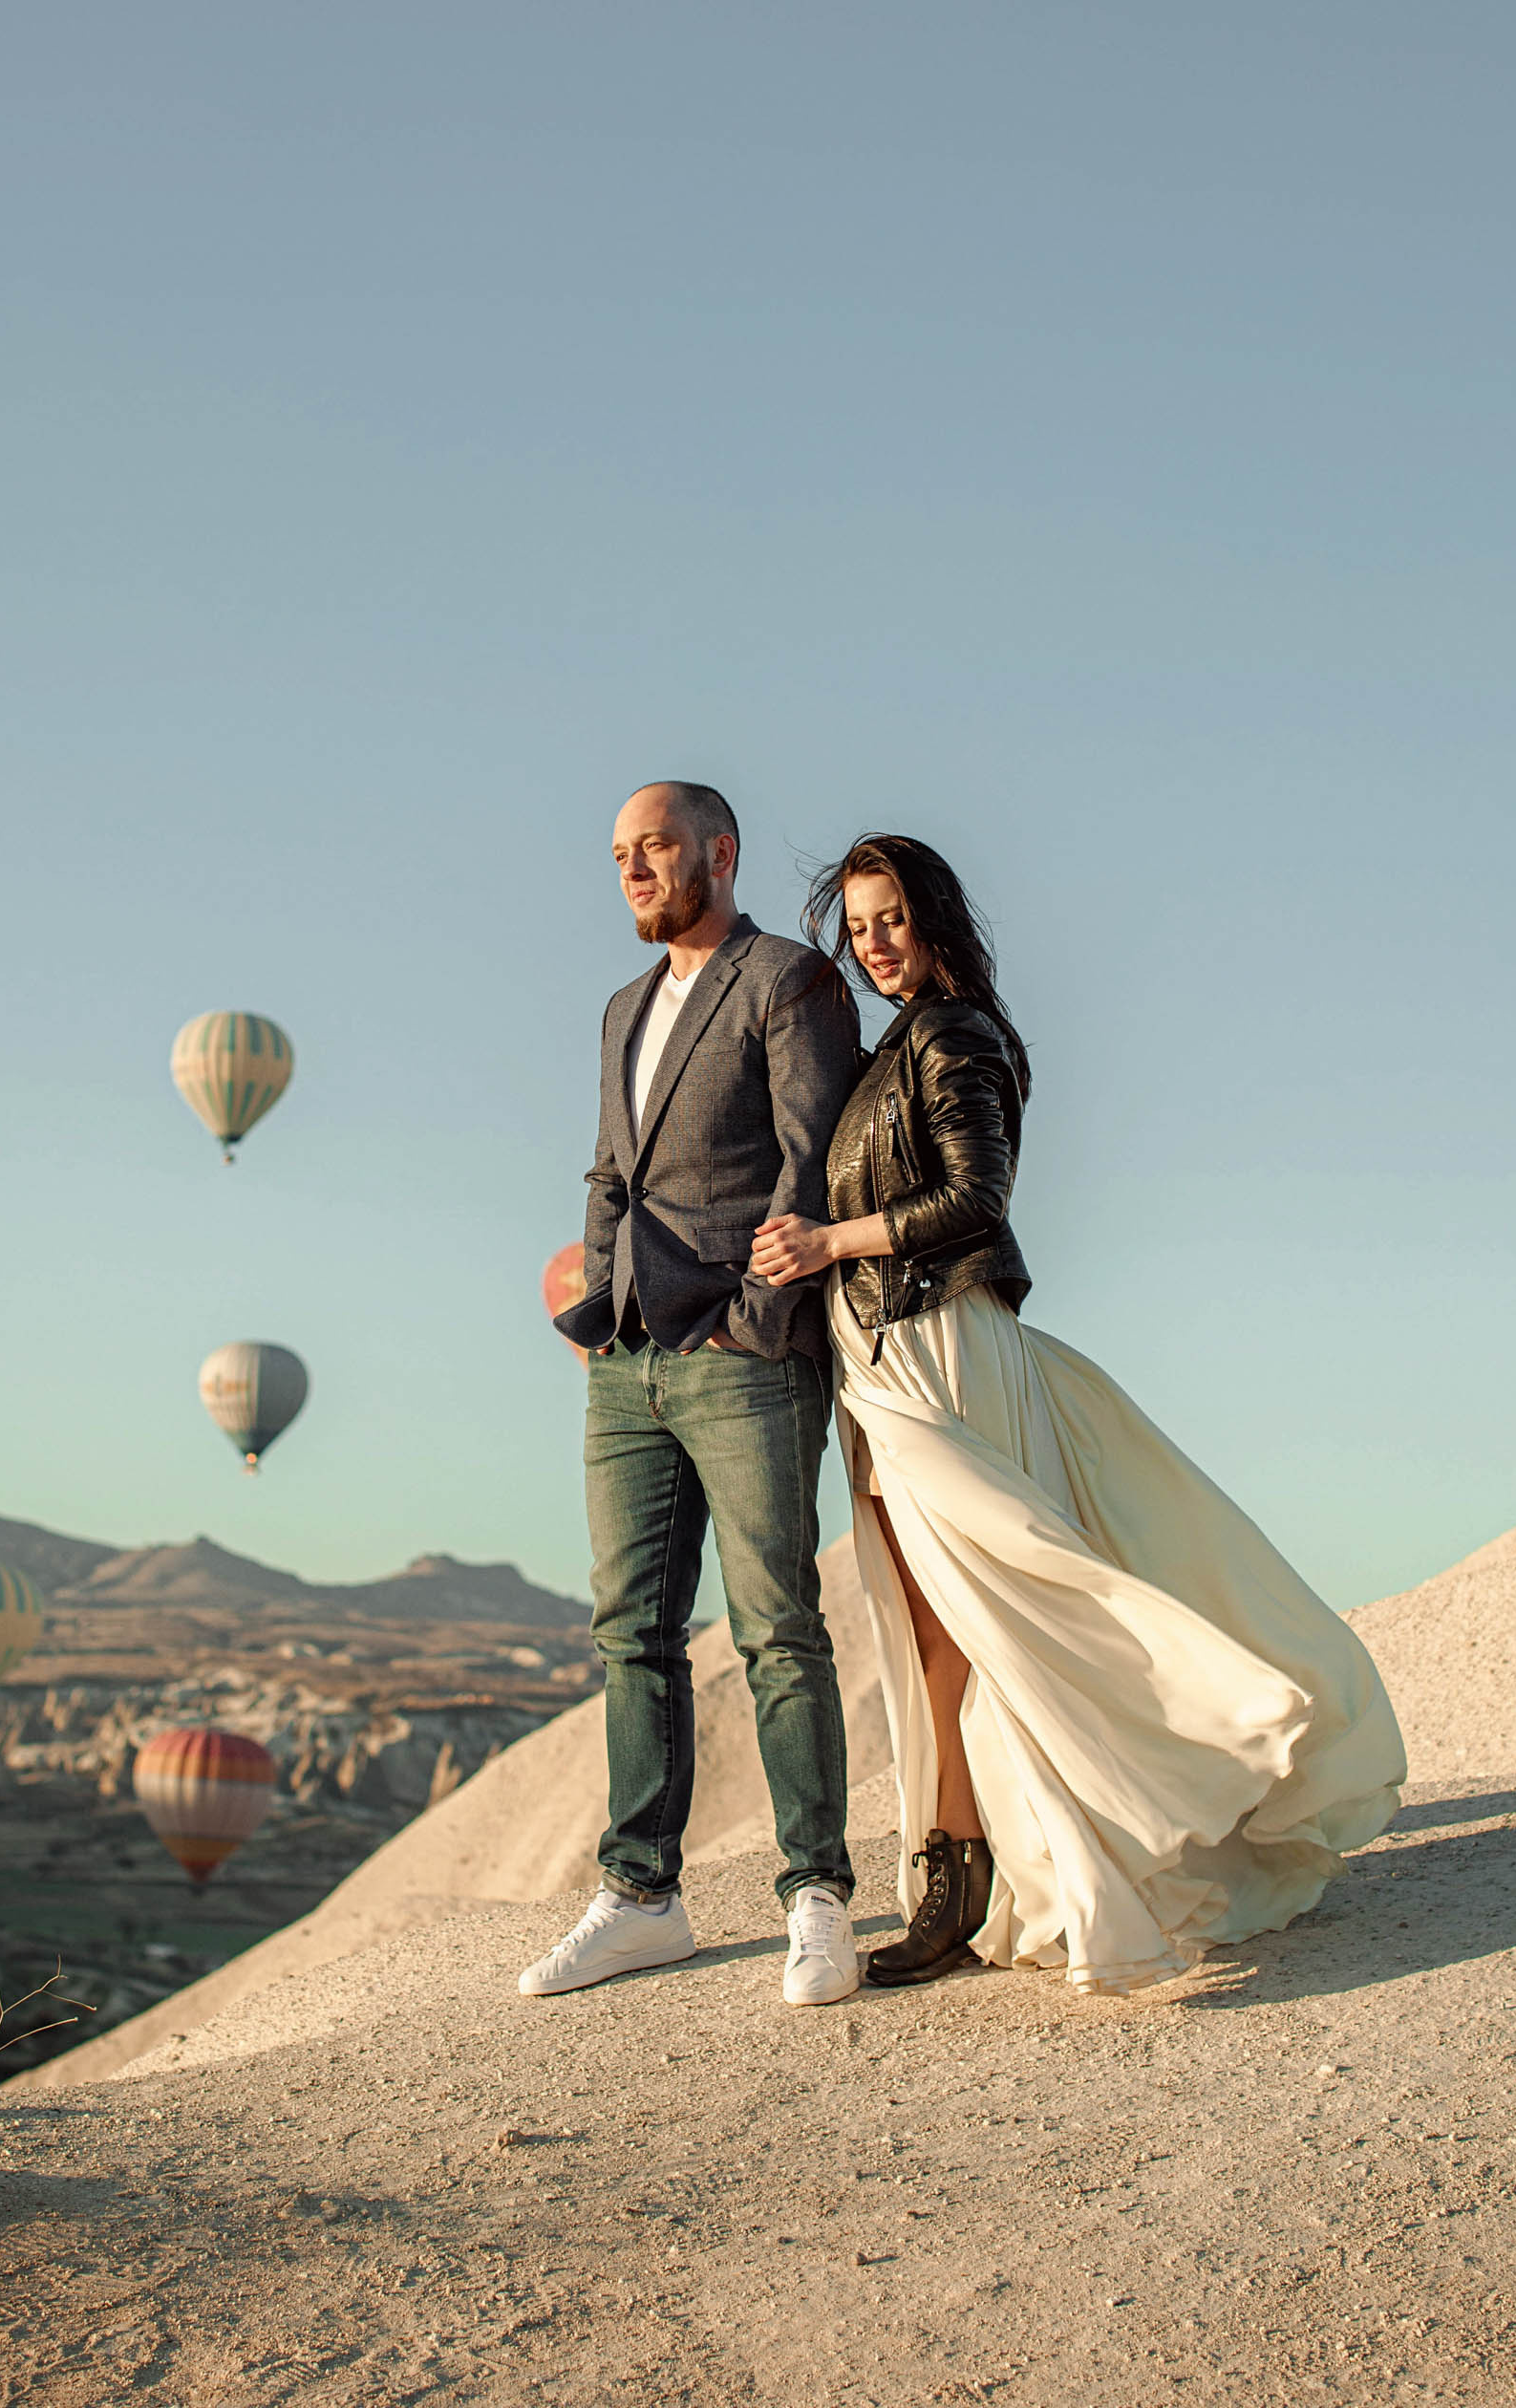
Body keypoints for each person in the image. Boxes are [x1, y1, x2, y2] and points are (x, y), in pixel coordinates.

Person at [751, 834, 1406, 1995]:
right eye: (856, 928)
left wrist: (825, 1242)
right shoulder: (894, 1047)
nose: (874, 944)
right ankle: (969, 1865)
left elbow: (974, 1198)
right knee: (934, 1621)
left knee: (991, 1609)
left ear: (933, 916)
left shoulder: (954, 1034)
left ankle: (1004, 1857)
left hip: (937, 1347)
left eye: (890, 917)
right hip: (884, 1355)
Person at [521, 782, 866, 2009]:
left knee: (775, 1627)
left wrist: (755, 1322)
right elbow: (609, 1172)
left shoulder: (785, 980)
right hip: (626, 1363)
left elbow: (812, 1162)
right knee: (631, 1632)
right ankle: (641, 1899)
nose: (632, 869)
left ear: (718, 853)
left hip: (741, 1356)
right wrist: (597, 1313)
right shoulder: (621, 1006)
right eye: (619, 853)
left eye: (654, 847)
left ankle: (815, 1894)